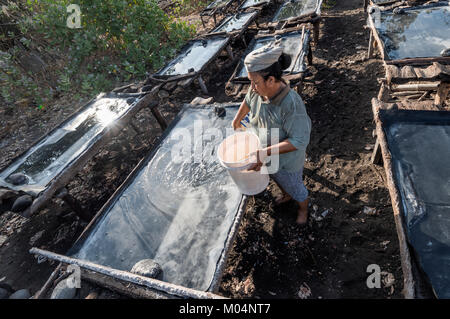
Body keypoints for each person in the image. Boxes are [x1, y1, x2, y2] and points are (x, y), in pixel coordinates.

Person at [231, 41, 312, 225]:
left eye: (255, 82)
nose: (252, 87)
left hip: (287, 160)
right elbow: (248, 100)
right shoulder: (257, 90)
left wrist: (265, 152)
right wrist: (237, 120)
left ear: (271, 80)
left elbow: (299, 140)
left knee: (296, 187)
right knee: (275, 177)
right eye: (250, 82)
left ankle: (303, 209)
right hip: (266, 152)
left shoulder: (291, 104)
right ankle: (286, 195)